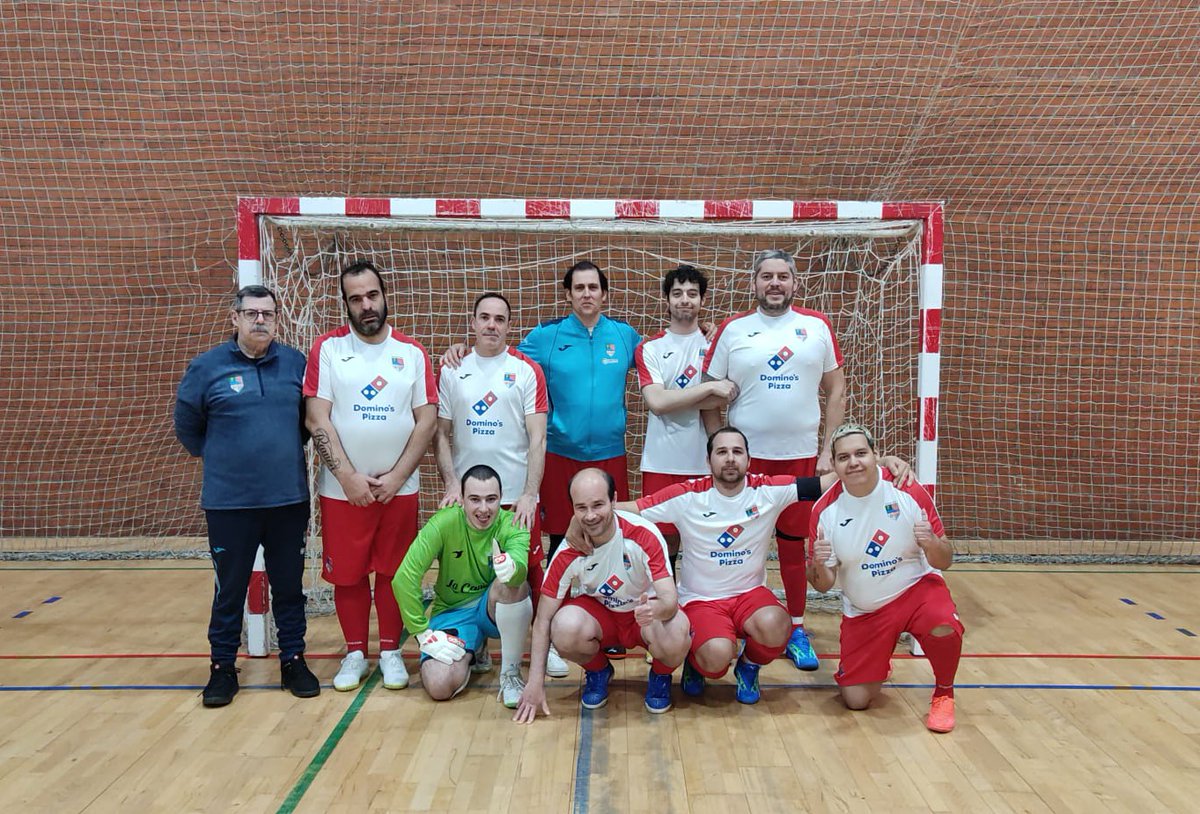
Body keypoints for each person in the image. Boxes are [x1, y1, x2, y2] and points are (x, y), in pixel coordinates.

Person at [624, 427, 912, 705]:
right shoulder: (688, 495)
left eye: (737, 451)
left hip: (750, 595)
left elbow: (828, 482)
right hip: (702, 600)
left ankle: (748, 668)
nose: (730, 458)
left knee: (778, 626)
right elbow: (634, 509)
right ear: (708, 460)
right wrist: (588, 514)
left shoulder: (766, 489)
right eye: (721, 452)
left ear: (749, 460)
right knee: (715, 657)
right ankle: (697, 663)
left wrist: (882, 463)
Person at [700, 248, 847, 672]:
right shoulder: (733, 329)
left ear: (795, 283)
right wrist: (719, 447)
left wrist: (827, 450)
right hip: (748, 464)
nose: (775, 283)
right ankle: (738, 623)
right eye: (767, 276)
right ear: (754, 283)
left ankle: (797, 628)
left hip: (801, 460)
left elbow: (835, 390)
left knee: (792, 547)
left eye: (783, 275)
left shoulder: (816, 326)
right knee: (736, 544)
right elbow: (708, 396)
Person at [174, 285, 319, 707]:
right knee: (231, 589)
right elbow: (188, 428)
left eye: (268, 314)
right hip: (229, 505)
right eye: (252, 313)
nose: (260, 321)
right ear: (234, 318)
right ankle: (222, 668)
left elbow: (305, 425)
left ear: (277, 319)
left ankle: (293, 658)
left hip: (287, 502)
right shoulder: (206, 368)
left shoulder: (295, 364)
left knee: (289, 587)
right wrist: (226, 457)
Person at [443, 261, 640, 558]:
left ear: (604, 296)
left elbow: (660, 357)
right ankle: (559, 600)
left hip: (610, 453)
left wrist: (701, 332)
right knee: (561, 537)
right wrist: (462, 349)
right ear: (568, 296)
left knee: (610, 532)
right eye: (579, 288)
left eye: (593, 288)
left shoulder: (625, 336)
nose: (586, 294)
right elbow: (497, 356)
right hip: (560, 454)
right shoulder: (548, 336)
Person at [304, 259, 437, 692]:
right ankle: (356, 652)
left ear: (385, 295)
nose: (366, 305)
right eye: (356, 298)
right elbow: (316, 419)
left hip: (399, 490)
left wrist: (398, 476)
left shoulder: (412, 353)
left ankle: (392, 652)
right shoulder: (327, 349)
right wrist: (347, 477)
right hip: (344, 492)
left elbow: (427, 420)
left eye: (372, 295)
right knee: (349, 574)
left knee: (396, 572)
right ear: (346, 304)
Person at [433, 292, 568, 678]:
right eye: (484, 318)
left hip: (514, 498)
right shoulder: (451, 370)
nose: (492, 325)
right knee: (469, 574)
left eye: (500, 319)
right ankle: (475, 646)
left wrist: (530, 493)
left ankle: (546, 647)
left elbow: (538, 438)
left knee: (528, 574)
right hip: (468, 498)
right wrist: (450, 483)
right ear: (473, 322)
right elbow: (441, 433)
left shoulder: (527, 370)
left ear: (510, 325)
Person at [807, 423, 963, 733]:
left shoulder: (907, 489)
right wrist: (819, 565)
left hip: (916, 591)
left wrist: (932, 543)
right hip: (866, 611)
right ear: (834, 465)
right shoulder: (824, 512)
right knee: (856, 700)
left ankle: (944, 693)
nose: (853, 462)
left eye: (861, 453)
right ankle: (880, 656)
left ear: (877, 456)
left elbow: (945, 560)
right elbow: (823, 584)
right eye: (844, 457)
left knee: (944, 625)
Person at [513, 469, 690, 721]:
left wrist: (656, 610)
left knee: (678, 630)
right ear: (572, 508)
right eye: (581, 508)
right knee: (562, 627)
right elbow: (542, 620)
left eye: (598, 505)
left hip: (644, 617)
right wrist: (534, 683)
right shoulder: (568, 551)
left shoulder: (644, 534)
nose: (590, 515)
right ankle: (598, 671)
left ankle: (660, 676)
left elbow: (670, 601)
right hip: (602, 617)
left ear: (614, 500)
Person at [392, 465, 533, 707]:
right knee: (438, 685)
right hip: (453, 612)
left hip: (492, 607)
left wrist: (514, 569)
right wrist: (421, 632)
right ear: (462, 499)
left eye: (491, 499)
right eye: (475, 500)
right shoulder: (443, 523)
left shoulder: (514, 523)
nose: (484, 509)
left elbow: (520, 571)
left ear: (501, 497)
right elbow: (404, 577)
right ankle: (474, 650)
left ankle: (510, 674)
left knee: (514, 587)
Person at [634, 265, 738, 564]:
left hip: (701, 461)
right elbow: (657, 402)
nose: (685, 300)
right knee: (661, 545)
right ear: (666, 299)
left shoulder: (714, 344)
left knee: (703, 542)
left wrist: (706, 395)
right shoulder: (650, 347)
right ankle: (667, 606)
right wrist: (710, 389)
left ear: (702, 300)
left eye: (692, 294)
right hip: (660, 460)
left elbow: (714, 406)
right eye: (677, 293)